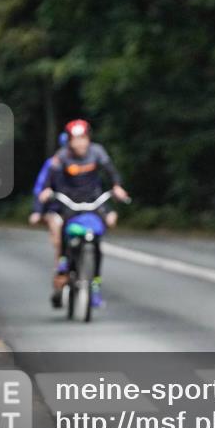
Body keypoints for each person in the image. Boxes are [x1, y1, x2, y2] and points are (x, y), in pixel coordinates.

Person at [38, 120, 129, 308]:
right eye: (75, 139)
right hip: (70, 200)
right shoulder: (62, 156)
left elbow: (111, 172)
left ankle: (94, 286)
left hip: (92, 200)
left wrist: (117, 187)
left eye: (83, 139)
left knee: (97, 238)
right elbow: (50, 178)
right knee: (64, 225)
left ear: (89, 139)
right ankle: (63, 260)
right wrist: (46, 190)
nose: (80, 143)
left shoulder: (97, 152)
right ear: (69, 141)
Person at [29, 132, 68, 301]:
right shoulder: (53, 164)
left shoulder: (87, 162)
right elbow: (41, 189)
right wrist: (38, 210)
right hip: (56, 209)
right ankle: (59, 281)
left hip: (78, 210)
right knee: (60, 243)